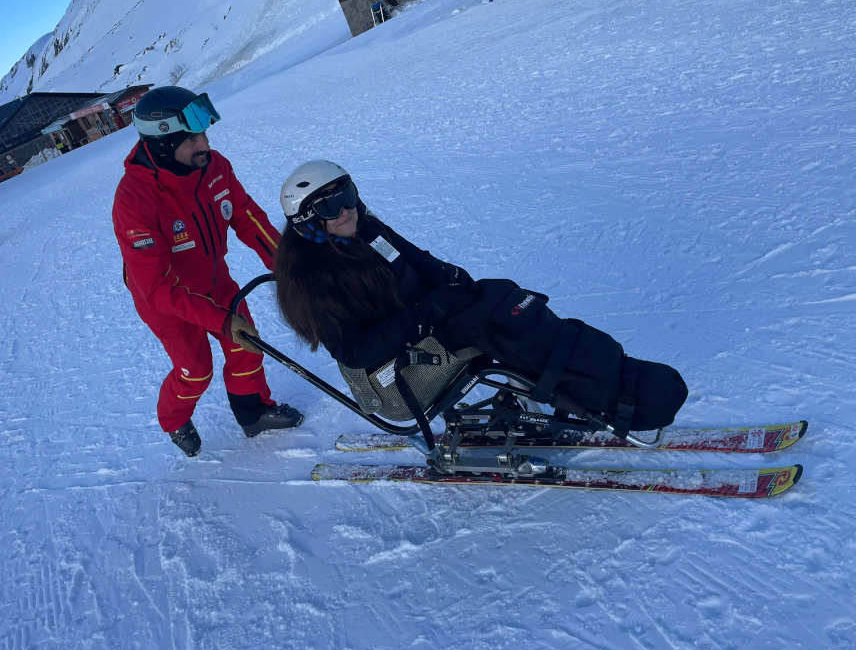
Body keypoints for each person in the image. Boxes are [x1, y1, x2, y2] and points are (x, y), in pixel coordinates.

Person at [274, 161, 688, 435]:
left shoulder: (367, 230)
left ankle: (601, 379)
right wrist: (427, 313)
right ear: (307, 221)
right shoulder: (311, 279)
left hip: (426, 330)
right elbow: (354, 350)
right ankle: (608, 398)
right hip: (393, 380)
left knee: (502, 296)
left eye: (347, 196)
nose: (346, 211)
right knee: (492, 320)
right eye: (330, 206)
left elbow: (417, 260)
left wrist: (450, 279)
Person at [111, 85, 303, 457]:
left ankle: (254, 413)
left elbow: (247, 217)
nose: (205, 144)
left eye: (204, 133)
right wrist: (221, 320)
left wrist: (287, 265)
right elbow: (157, 287)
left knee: (247, 346)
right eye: (193, 137)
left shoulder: (213, 166)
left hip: (214, 279)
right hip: (166, 300)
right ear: (164, 144)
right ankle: (173, 419)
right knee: (195, 370)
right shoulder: (133, 199)